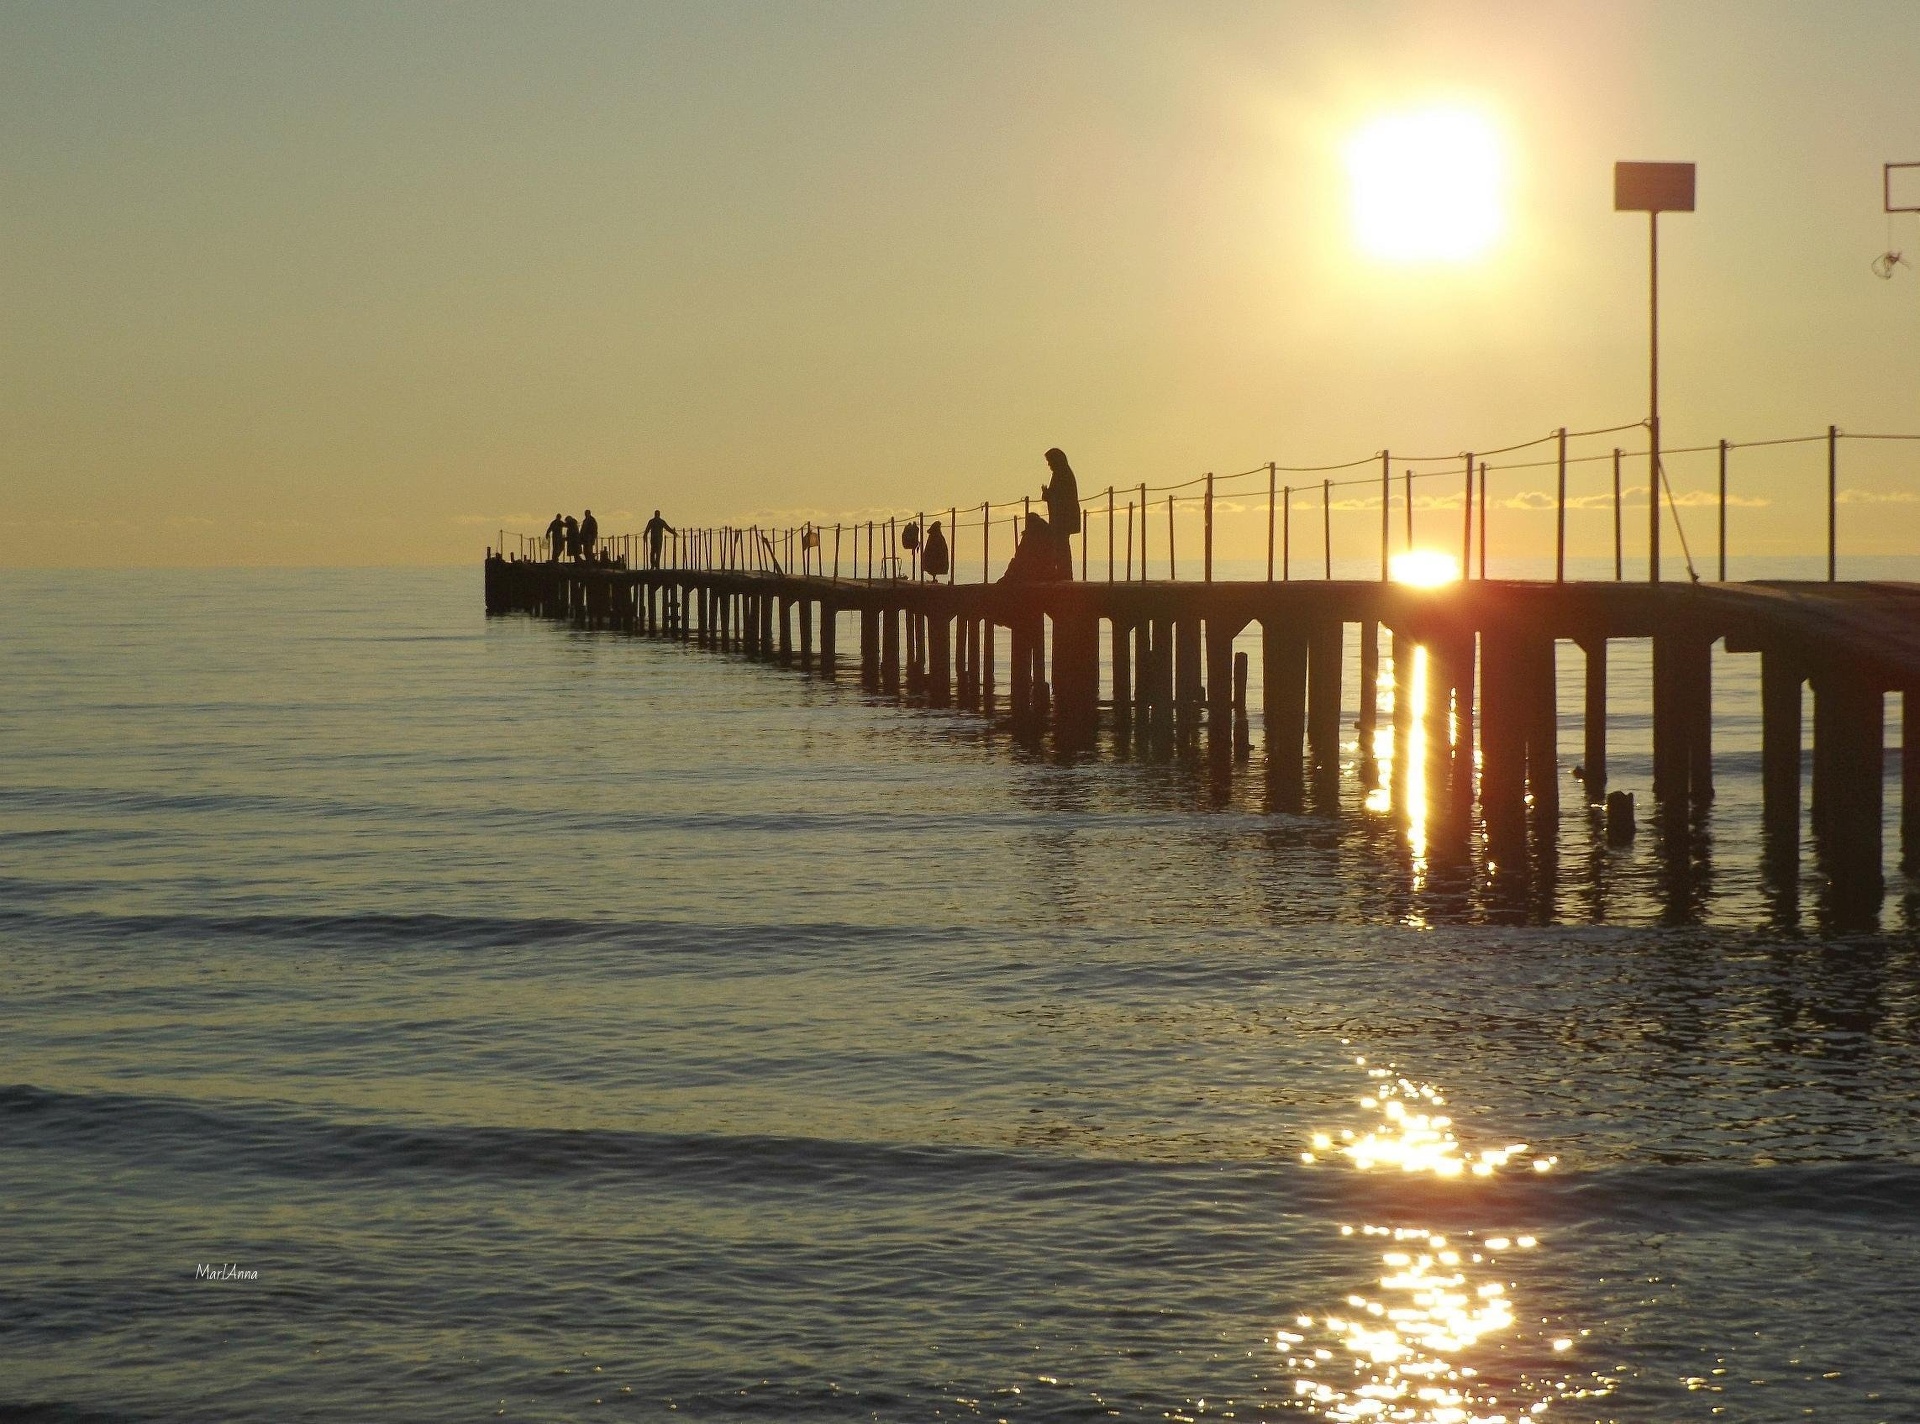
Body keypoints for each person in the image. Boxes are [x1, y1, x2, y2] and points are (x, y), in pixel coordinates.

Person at [1041, 447, 1081, 579]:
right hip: (1064, 517)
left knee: (1061, 545)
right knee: (1061, 545)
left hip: (1063, 517)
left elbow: (1058, 495)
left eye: (1050, 461)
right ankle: (1064, 573)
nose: (1049, 464)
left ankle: (1064, 574)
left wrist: (1047, 493)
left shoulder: (1061, 474)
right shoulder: (1064, 472)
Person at [998, 512, 1070, 584]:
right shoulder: (1048, 534)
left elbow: (1020, 556)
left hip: (1032, 572)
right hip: (1046, 571)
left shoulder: (1030, 536)